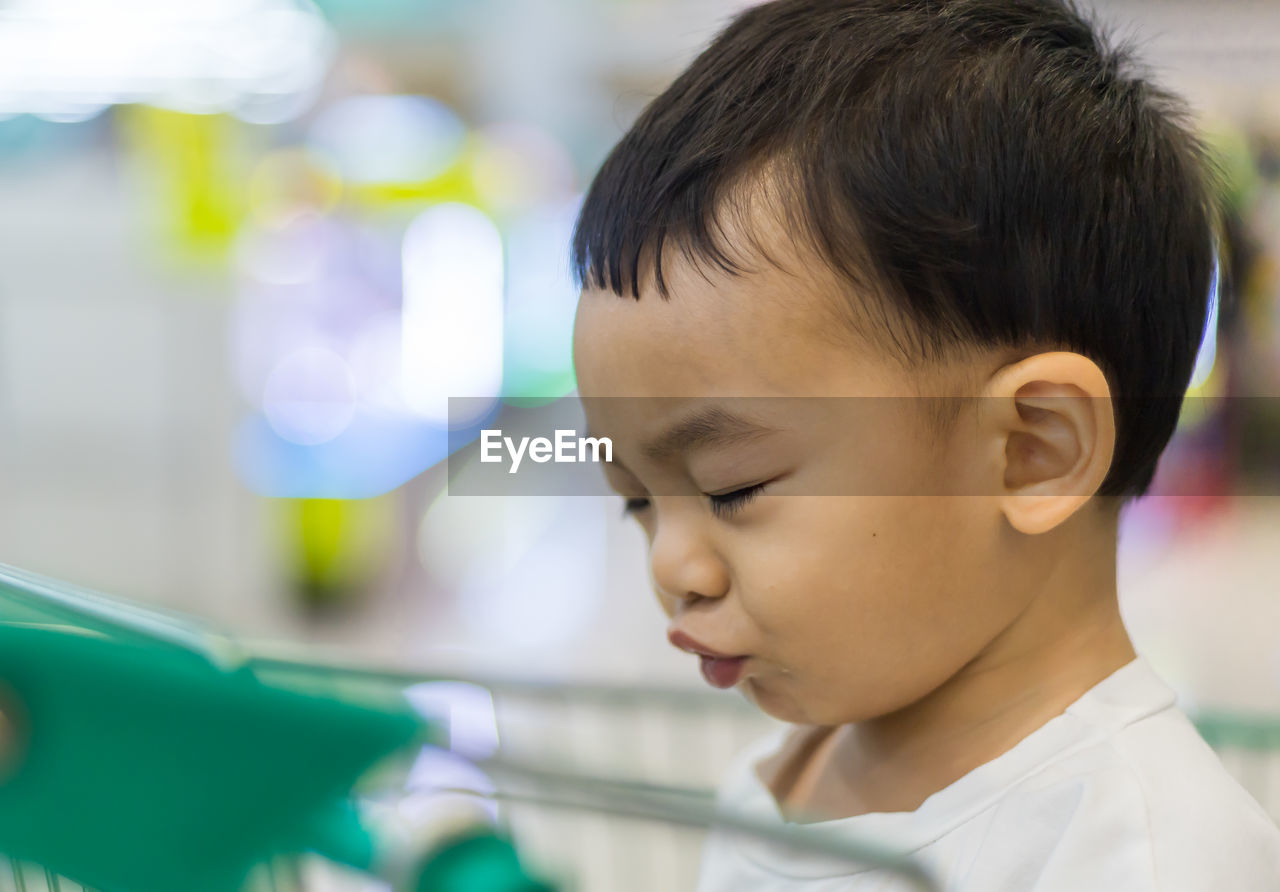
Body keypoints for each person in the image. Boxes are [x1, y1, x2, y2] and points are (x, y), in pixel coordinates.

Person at [567, 0, 1280, 888]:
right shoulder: (790, 772)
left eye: (730, 487)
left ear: (1032, 450)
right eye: (637, 497)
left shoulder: (1146, 856)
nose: (672, 567)